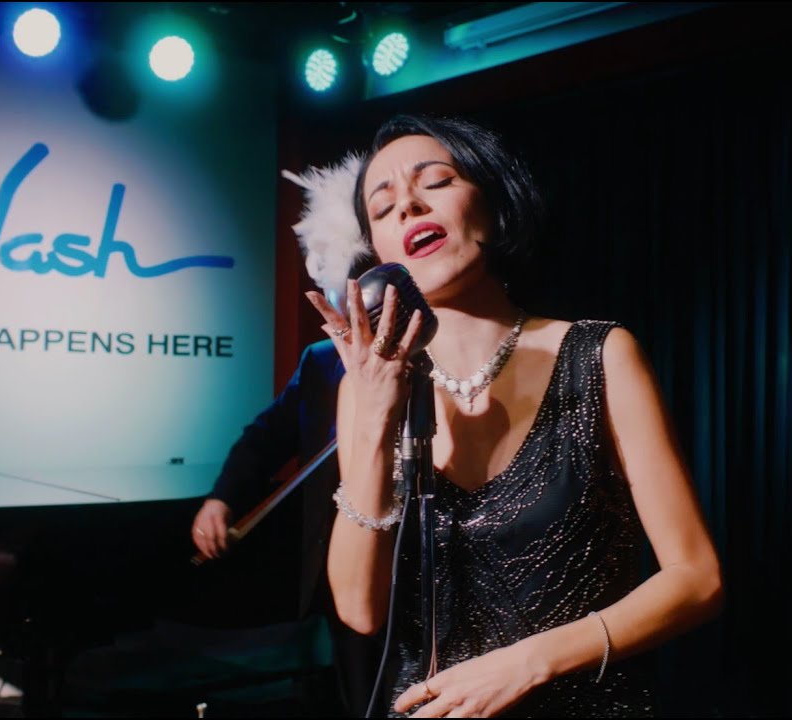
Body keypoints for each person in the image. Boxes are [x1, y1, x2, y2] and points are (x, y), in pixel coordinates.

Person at [304, 114, 724, 717]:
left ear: (495, 204)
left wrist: (526, 664)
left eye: (436, 182)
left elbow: (697, 579)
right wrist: (372, 418)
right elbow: (359, 610)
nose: (409, 206)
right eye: (383, 206)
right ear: (377, 254)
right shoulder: (367, 390)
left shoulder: (599, 355)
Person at [190, 337, 382, 717]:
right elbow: (268, 435)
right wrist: (223, 497)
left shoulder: (431, 355)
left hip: (412, 562)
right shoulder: (322, 358)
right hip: (332, 562)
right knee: (356, 694)